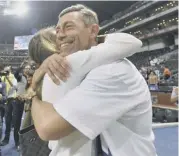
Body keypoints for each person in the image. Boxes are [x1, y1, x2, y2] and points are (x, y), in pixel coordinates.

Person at [28, 4, 156, 156]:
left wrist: (31, 94)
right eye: (58, 30)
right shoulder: (66, 67)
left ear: (93, 30)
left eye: (69, 27)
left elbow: (47, 128)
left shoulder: (112, 70)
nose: (60, 35)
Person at [0, 66, 18, 146]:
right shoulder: (2, 77)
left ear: (10, 69)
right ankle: (6, 139)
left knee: (16, 121)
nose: (5, 68)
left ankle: (17, 142)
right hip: (5, 100)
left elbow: (14, 87)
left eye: (6, 68)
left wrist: (7, 78)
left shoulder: (14, 76)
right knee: (7, 120)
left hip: (13, 100)